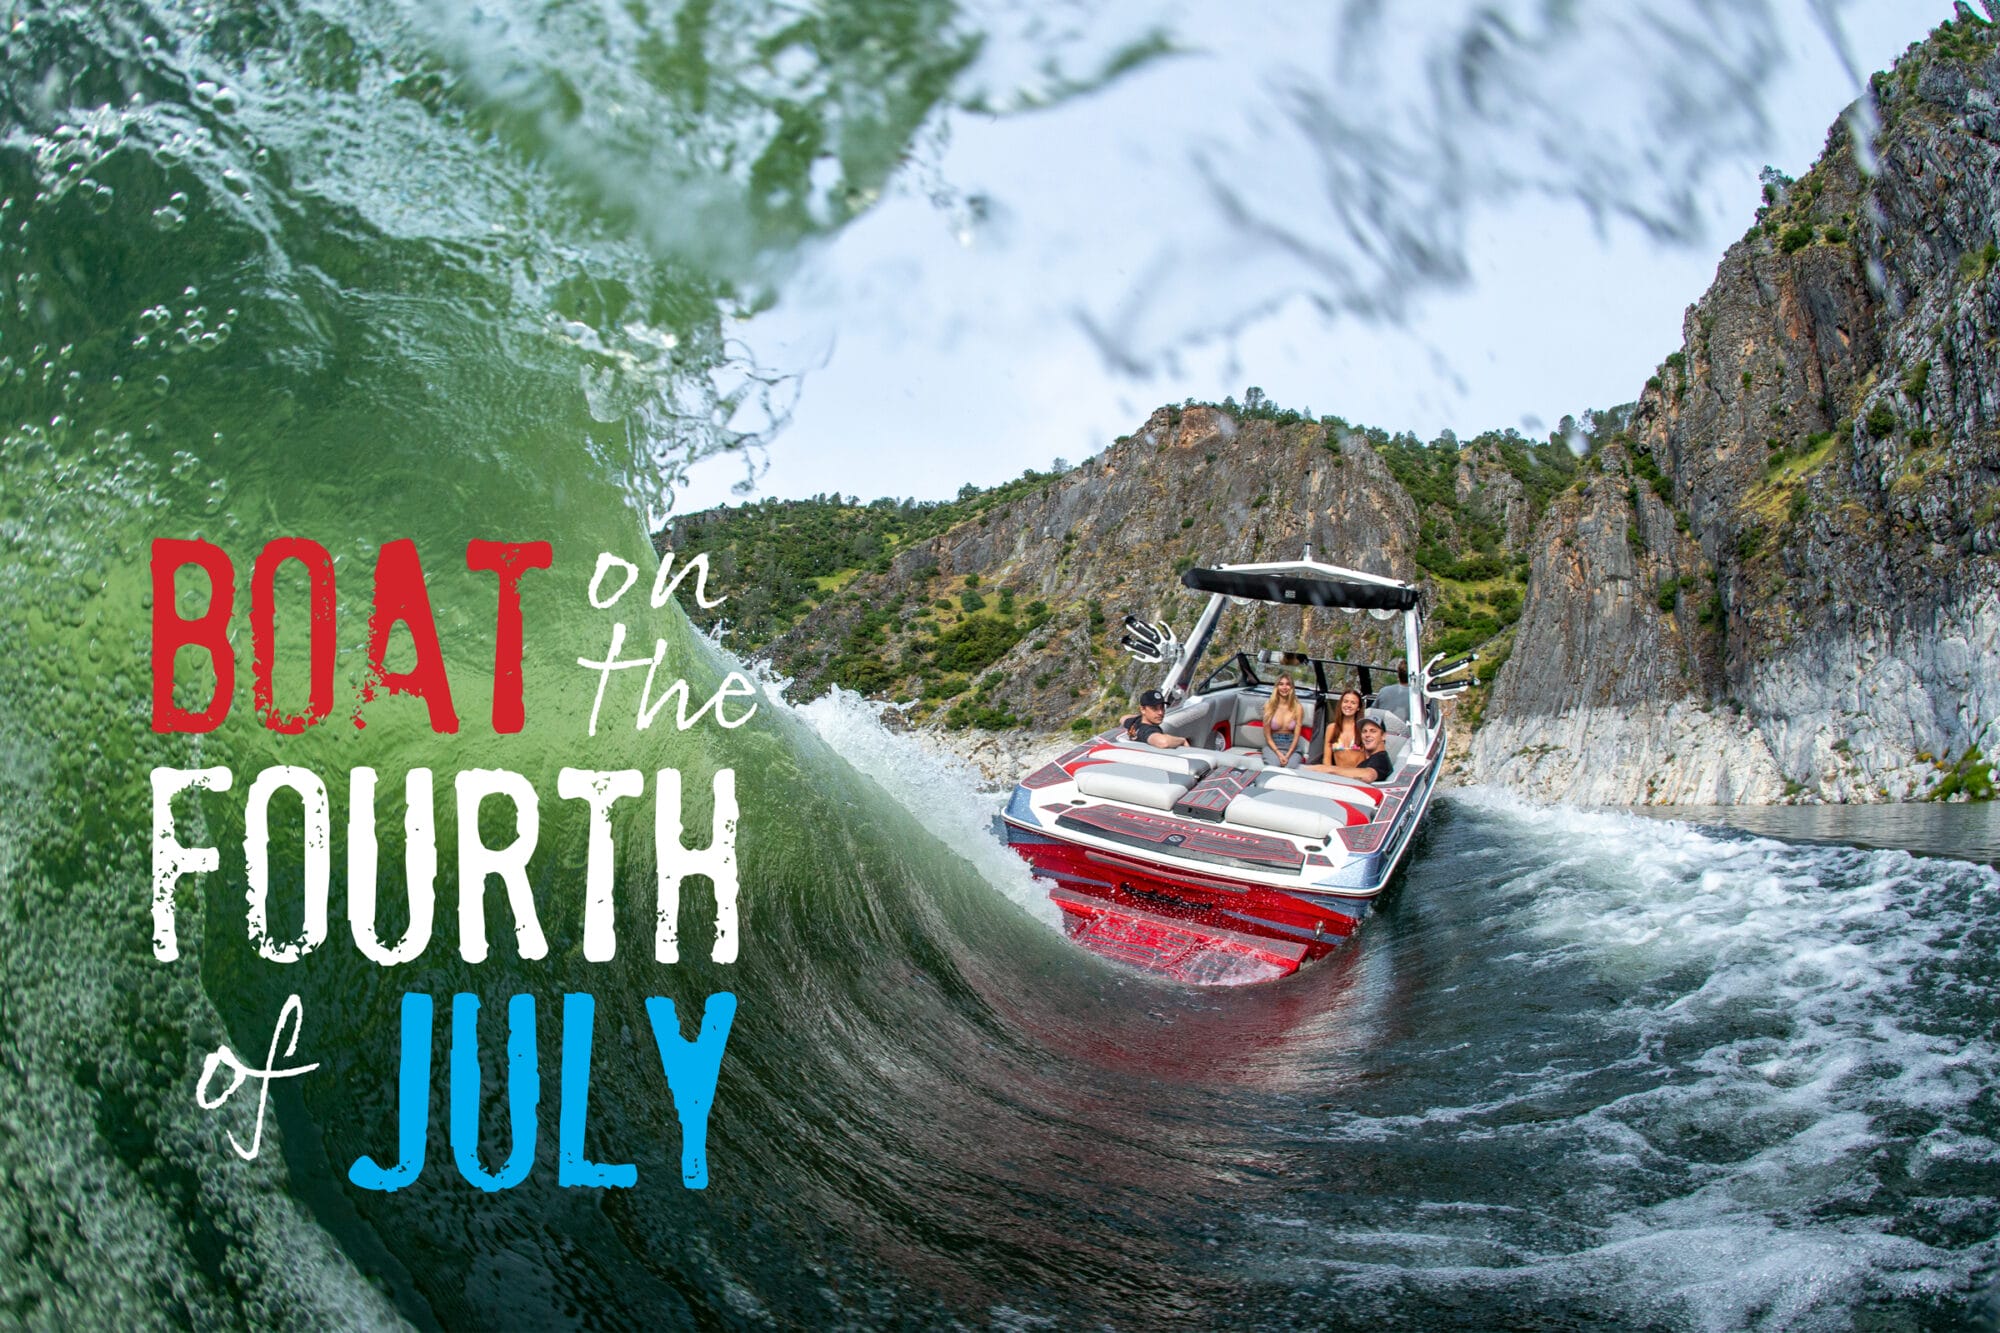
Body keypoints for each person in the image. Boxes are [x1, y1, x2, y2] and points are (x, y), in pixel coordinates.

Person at [1314, 717, 1393, 782]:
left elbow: (1368, 775)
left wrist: (1328, 770)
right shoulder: (1372, 759)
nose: (1367, 735)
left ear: (1383, 736)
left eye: (1373, 731)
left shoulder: (1380, 759)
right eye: (1364, 731)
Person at [1120, 689, 1189, 748]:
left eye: (1162, 707)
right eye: (1154, 708)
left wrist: (1143, 715)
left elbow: (1123, 718)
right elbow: (1163, 742)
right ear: (1142, 709)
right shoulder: (1148, 730)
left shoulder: (1136, 721)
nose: (1160, 712)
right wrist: (1182, 740)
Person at [1261, 674, 1305, 767]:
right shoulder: (1268, 706)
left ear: (1292, 687)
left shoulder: (1298, 707)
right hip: (1273, 746)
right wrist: (1278, 753)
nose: (1284, 687)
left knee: (1290, 768)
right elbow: (1267, 735)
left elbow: (1297, 736)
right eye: (1281, 684)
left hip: (1292, 747)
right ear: (1276, 687)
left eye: (1288, 684)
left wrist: (1288, 755)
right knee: (1273, 766)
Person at [1321, 688, 1366, 767]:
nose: (1348, 705)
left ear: (1358, 707)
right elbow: (1326, 759)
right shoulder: (1331, 728)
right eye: (1345, 701)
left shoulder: (1363, 728)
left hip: (1358, 775)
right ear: (1341, 704)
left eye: (1353, 703)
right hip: (1338, 775)